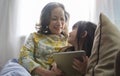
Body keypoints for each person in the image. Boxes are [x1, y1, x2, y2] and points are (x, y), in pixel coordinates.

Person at [18, 2, 69, 76]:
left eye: (62, 19)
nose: (59, 23)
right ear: (46, 20)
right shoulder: (34, 37)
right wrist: (49, 74)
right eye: (54, 19)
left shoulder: (68, 40)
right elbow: (23, 58)